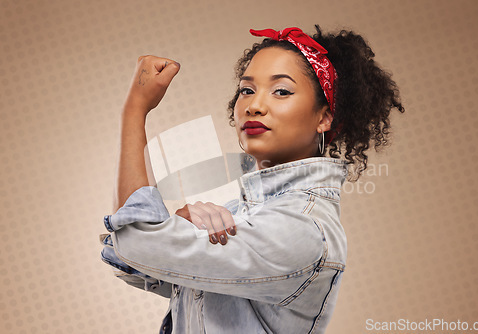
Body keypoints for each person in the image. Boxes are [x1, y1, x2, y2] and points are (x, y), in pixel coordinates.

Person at [100, 25, 404, 333]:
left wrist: (135, 109)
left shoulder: (300, 228)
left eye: (281, 91)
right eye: (247, 90)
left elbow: (135, 242)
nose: (254, 105)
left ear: (324, 117)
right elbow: (139, 263)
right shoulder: (242, 213)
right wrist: (177, 223)